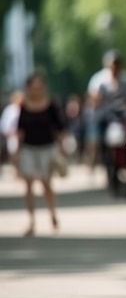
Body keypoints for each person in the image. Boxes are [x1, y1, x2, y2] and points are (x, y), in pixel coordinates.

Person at [16, 70, 67, 237]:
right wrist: (16, 153)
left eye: (39, 87)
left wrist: (61, 149)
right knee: (29, 183)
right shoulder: (24, 106)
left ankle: (52, 214)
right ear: (29, 88)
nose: (36, 90)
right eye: (34, 87)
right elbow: (20, 131)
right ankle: (31, 221)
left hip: (48, 148)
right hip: (29, 148)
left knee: (46, 183)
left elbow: (59, 129)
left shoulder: (50, 105)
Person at [86, 49, 126, 178]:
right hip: (106, 115)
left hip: (123, 114)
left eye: (117, 64)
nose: (115, 67)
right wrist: (97, 98)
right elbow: (92, 98)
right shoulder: (99, 80)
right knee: (95, 132)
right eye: (112, 64)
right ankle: (94, 158)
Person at [0, 89, 23, 176]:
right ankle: (16, 171)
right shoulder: (9, 110)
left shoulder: (24, 108)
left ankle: (20, 172)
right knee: (14, 154)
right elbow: (4, 124)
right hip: (13, 135)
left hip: (23, 135)